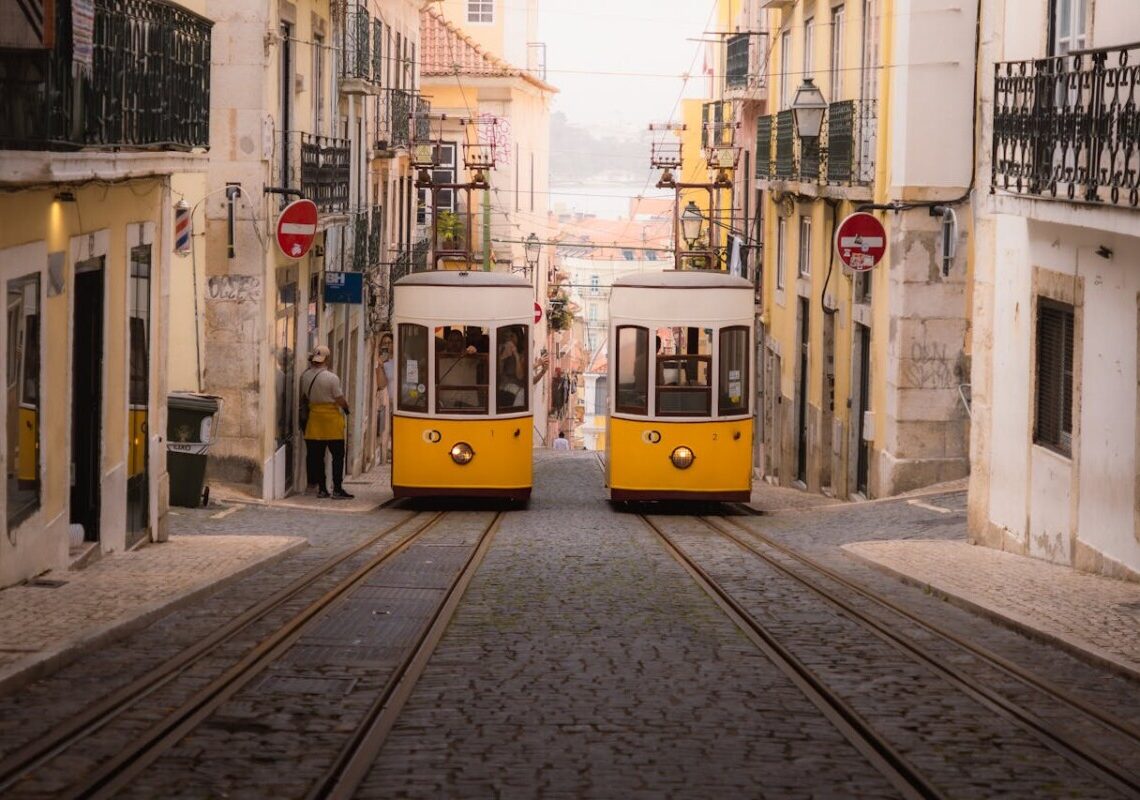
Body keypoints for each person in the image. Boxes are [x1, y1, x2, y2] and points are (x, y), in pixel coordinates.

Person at [300, 345, 354, 499]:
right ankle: (337, 488)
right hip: (331, 421)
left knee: (318, 457)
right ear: (327, 359)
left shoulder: (305, 377)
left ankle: (322, 489)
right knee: (338, 456)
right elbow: (338, 398)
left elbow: (305, 396)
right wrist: (346, 407)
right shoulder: (331, 378)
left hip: (315, 420)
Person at [437, 328, 480, 409]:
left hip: (466, 404)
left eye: (458, 341)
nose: (454, 343)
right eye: (451, 340)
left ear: (463, 343)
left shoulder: (468, 356)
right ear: (447, 342)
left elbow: (476, 359)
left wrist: (473, 352)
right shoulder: (439, 357)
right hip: (444, 405)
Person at [498, 328, 526, 407]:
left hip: (516, 391)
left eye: (512, 336)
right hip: (502, 388)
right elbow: (497, 373)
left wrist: (516, 355)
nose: (510, 339)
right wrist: (503, 357)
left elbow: (520, 376)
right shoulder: (502, 349)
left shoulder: (523, 355)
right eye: (507, 337)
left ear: (518, 337)